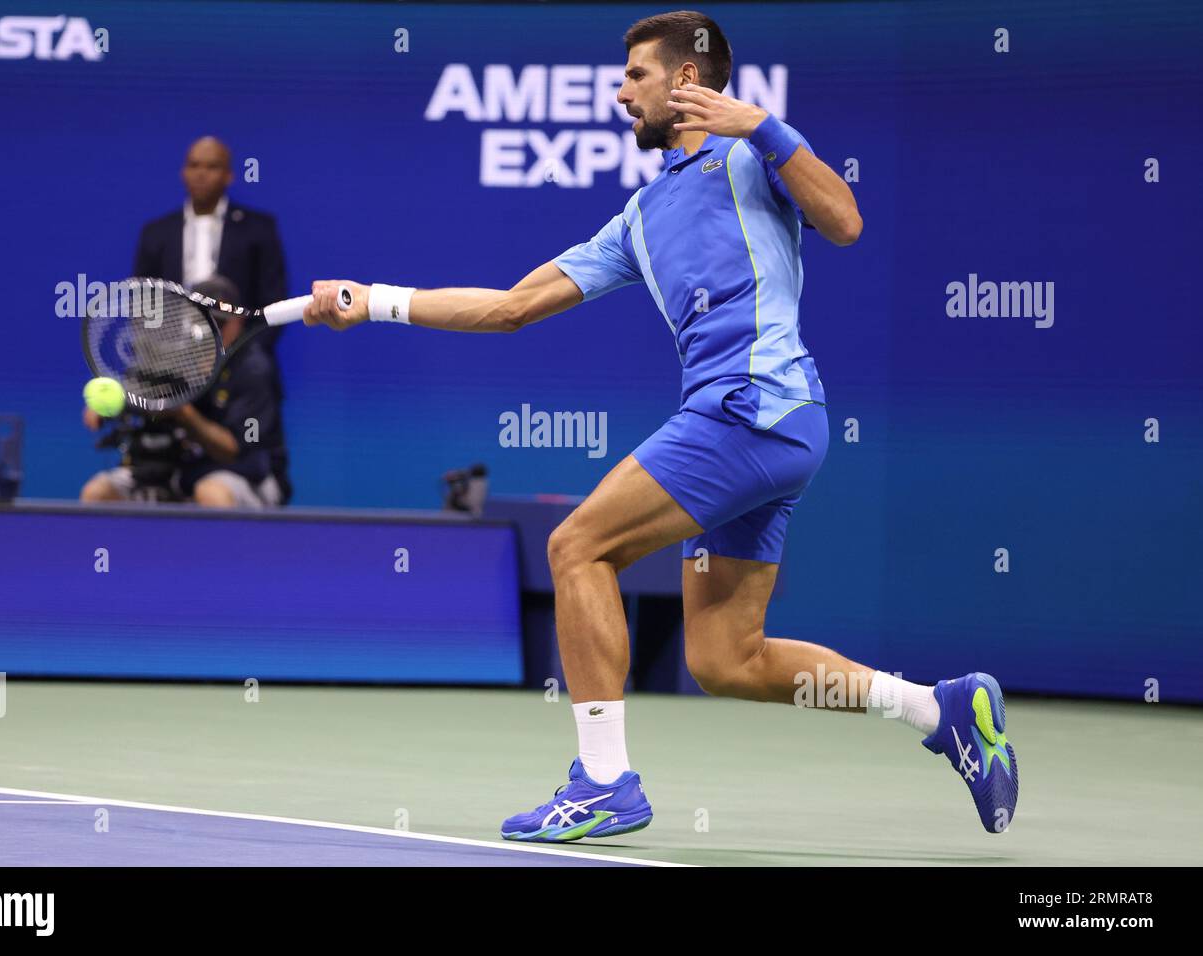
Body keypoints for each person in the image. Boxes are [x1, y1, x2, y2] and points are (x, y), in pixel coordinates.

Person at [302, 10, 1018, 842]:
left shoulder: (754, 154)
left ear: (685, 80)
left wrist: (763, 123)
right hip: (768, 431)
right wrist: (373, 301)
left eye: (634, 76)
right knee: (724, 659)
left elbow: (847, 221)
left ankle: (603, 783)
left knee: (577, 546)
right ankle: (942, 710)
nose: (619, 93)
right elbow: (510, 308)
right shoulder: (640, 216)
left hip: (750, 408)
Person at [81, 275, 290, 508]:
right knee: (97, 493)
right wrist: (115, 403)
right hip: (178, 470)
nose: (209, 330)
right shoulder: (175, 356)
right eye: (200, 319)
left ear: (238, 320)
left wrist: (184, 415)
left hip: (249, 475)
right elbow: (138, 393)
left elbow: (235, 451)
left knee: (211, 494)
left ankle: (225, 545)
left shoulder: (253, 370)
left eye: (218, 322)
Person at [132, 136, 290, 351]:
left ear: (228, 176)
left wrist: (244, 347)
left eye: (212, 166)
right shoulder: (156, 232)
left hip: (240, 349)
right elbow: (143, 299)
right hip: (170, 350)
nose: (201, 174)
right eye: (194, 165)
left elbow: (273, 300)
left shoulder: (259, 229)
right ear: (183, 173)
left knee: (257, 369)